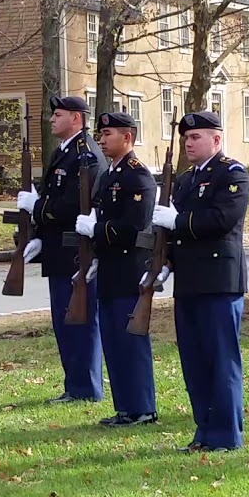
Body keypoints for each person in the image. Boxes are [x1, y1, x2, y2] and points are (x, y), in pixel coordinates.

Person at [148, 111, 249, 452]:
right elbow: (174, 235)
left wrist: (179, 220)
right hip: (190, 282)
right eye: (186, 139)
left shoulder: (232, 174)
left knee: (221, 359)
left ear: (216, 140)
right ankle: (205, 431)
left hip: (220, 281)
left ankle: (226, 435)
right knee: (195, 361)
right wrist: (167, 263)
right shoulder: (187, 180)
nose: (189, 143)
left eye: (196, 138)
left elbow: (222, 219)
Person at [16, 95, 104, 404]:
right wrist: (39, 237)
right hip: (58, 250)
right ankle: (75, 385)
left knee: (79, 322)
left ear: (77, 119)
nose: (52, 119)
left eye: (59, 115)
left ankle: (86, 387)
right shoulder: (62, 152)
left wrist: (37, 206)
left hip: (75, 253)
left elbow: (72, 207)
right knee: (64, 323)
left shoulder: (86, 155)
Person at [74, 111, 158, 427]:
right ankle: (126, 406)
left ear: (128, 138)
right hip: (109, 268)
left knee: (130, 341)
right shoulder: (109, 175)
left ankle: (143, 407)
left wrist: (96, 230)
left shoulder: (137, 176)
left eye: (109, 134)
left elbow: (134, 225)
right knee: (112, 341)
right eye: (101, 134)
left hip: (128, 269)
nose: (103, 139)